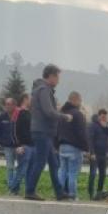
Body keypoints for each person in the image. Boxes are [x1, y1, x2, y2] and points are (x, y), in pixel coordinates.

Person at [25, 64, 72, 201]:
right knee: (40, 162)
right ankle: (30, 190)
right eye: (57, 77)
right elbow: (48, 111)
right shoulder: (44, 90)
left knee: (54, 163)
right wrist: (64, 116)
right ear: (51, 76)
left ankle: (59, 192)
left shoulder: (41, 90)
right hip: (42, 131)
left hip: (43, 132)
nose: (58, 80)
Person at [57, 91, 88, 200]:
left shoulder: (61, 114)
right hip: (74, 147)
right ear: (75, 100)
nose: (80, 103)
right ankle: (72, 195)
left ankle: (59, 193)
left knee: (62, 170)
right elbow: (81, 133)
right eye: (80, 100)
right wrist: (87, 148)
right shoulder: (78, 114)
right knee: (72, 173)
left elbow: (56, 131)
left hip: (62, 146)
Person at [88, 108, 108, 199]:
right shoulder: (93, 125)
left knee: (102, 174)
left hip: (103, 154)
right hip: (95, 154)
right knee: (93, 174)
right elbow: (90, 139)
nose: (104, 118)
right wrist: (92, 152)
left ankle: (99, 192)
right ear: (99, 116)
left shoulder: (107, 126)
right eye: (102, 117)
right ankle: (91, 193)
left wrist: (105, 127)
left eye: (105, 117)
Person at [9, 93, 33, 195]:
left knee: (24, 169)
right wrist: (17, 145)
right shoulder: (18, 112)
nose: (31, 101)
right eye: (29, 99)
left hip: (30, 145)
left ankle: (16, 190)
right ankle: (13, 188)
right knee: (22, 169)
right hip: (22, 145)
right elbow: (13, 129)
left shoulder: (29, 113)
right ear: (25, 99)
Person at [0, 97, 17, 192]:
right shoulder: (2, 117)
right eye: (6, 104)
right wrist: (1, 142)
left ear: (14, 105)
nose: (7, 106)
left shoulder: (18, 115)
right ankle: (10, 186)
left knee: (20, 167)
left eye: (9, 104)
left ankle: (16, 185)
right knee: (10, 166)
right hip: (7, 146)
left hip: (18, 146)